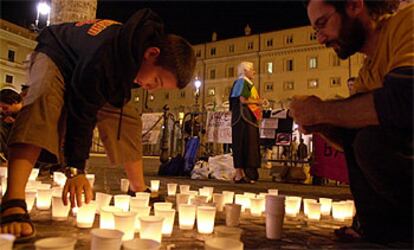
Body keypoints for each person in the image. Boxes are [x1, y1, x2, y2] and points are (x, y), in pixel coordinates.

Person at [0, 8, 195, 242]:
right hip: (57, 53)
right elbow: (83, 109)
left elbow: (100, 94)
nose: (152, 88)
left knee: (128, 120)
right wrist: (75, 169)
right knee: (41, 100)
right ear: (152, 54)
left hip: (92, 73)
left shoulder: (134, 52)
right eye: (157, 80)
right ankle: (13, 200)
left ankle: (138, 189)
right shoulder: (107, 55)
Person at [290, 0, 412, 244]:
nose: (320, 39)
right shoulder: (367, 73)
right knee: (364, 139)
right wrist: (323, 124)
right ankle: (382, 231)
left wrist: (323, 110)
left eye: (322, 24)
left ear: (354, 5)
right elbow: (353, 136)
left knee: (371, 141)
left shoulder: (406, 23)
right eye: (316, 31)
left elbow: (405, 100)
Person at [229, 62, 264, 183]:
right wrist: (258, 102)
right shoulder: (242, 82)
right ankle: (241, 173)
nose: (254, 72)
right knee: (244, 143)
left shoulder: (245, 83)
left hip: (246, 117)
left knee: (245, 144)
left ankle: (242, 173)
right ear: (244, 71)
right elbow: (242, 99)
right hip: (243, 117)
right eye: (252, 69)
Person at [0, 87, 23, 160]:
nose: (3, 111)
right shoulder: (6, 115)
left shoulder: (28, 112)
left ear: (15, 102)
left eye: (5, 108)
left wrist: (15, 123)